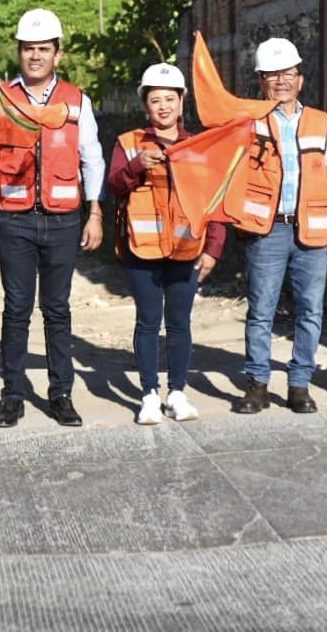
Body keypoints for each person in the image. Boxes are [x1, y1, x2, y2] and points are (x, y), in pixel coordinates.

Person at [0, 8, 106, 429]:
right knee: (16, 309)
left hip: (63, 220)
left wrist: (95, 213)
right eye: (28, 49)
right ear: (18, 53)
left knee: (57, 310)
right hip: (14, 219)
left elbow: (92, 159)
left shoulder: (77, 101)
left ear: (57, 54)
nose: (35, 56)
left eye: (43, 49)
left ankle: (61, 395)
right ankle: (13, 396)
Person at [231, 37, 327, 415]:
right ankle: (257, 385)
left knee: (310, 309)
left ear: (300, 79)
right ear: (260, 81)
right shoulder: (247, 121)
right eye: (272, 75)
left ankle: (300, 385)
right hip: (266, 230)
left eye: (288, 73)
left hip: (313, 229)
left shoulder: (319, 121)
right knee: (261, 310)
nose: (281, 81)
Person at [105, 63, 228, 425]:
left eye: (169, 99)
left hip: (187, 249)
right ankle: (148, 396)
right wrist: (135, 166)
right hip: (141, 249)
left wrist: (214, 248)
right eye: (155, 100)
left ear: (181, 102)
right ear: (146, 105)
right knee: (147, 322)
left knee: (179, 323)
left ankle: (177, 393)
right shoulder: (129, 143)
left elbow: (215, 199)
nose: (163, 107)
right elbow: (113, 186)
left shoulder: (199, 146)